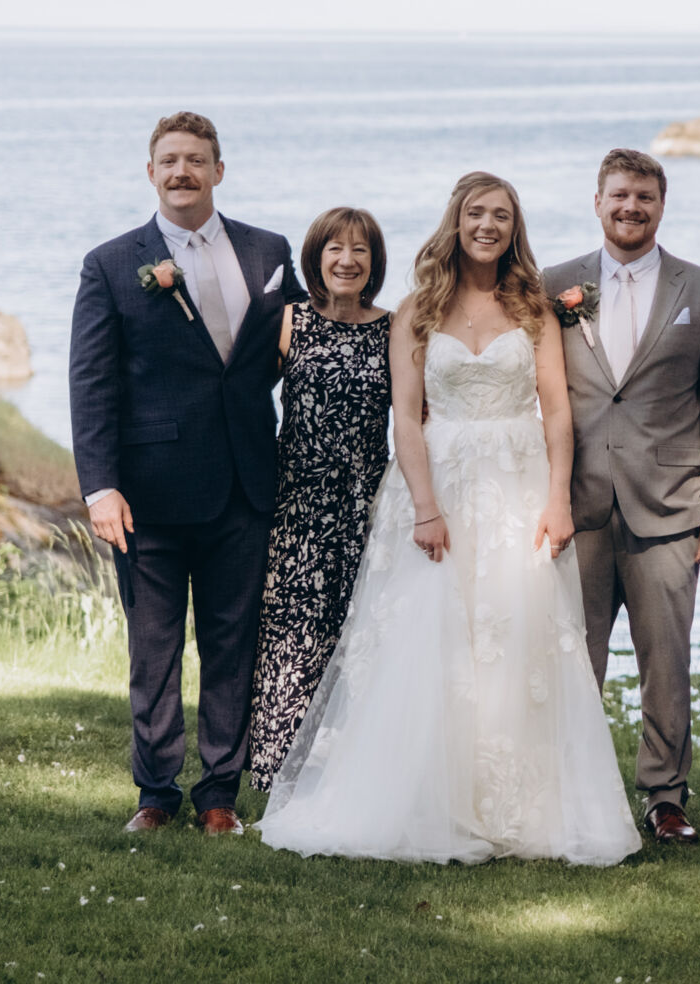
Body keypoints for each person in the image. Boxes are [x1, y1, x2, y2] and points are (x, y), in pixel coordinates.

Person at [257, 173, 640, 865]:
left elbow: (557, 410)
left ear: (514, 228)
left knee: (515, 632)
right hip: (439, 486)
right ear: (456, 223)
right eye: (475, 213)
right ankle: (427, 798)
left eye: (501, 215)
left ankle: (516, 806)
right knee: (431, 638)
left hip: (518, 484)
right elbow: (406, 417)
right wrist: (426, 507)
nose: (487, 225)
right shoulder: (418, 308)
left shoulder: (533, 308)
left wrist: (558, 500)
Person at [69, 111, 304, 836]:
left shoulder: (268, 250)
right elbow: (92, 383)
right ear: (151, 173)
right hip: (150, 495)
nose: (182, 172)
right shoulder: (112, 263)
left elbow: (301, 342)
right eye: (169, 160)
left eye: (196, 160)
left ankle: (219, 795)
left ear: (218, 171)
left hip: (245, 483)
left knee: (233, 646)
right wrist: (100, 486)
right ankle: (155, 793)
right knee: (155, 651)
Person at [542, 148, 700, 845]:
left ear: (661, 206)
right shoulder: (553, 286)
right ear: (598, 202)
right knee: (575, 659)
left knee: (667, 661)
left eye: (645, 198)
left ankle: (665, 797)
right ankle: (571, 792)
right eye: (620, 195)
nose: (631, 208)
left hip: (671, 507)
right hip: (578, 505)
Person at [246, 207, 393, 794]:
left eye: (360, 250)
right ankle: (276, 772)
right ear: (316, 257)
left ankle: (354, 774)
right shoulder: (290, 321)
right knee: (292, 636)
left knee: (361, 635)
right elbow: (244, 399)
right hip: (297, 504)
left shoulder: (393, 329)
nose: (347, 260)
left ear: (374, 262)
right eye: (335, 248)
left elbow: (418, 417)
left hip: (366, 505)